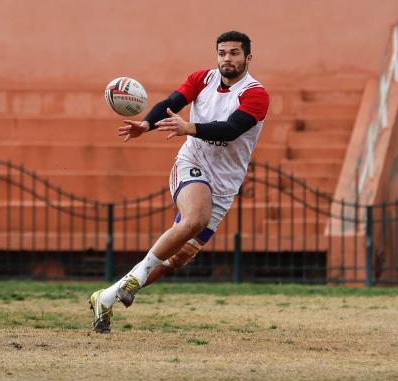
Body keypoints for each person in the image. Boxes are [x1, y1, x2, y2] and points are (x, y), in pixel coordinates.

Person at [89, 31, 270, 333]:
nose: (227, 59)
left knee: (175, 260)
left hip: (225, 184)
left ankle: (106, 297)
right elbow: (173, 102)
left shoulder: (256, 94)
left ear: (248, 58)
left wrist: (189, 127)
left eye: (234, 53)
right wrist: (146, 124)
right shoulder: (202, 79)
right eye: (222, 53)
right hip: (192, 163)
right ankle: (134, 280)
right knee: (195, 218)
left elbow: (231, 129)